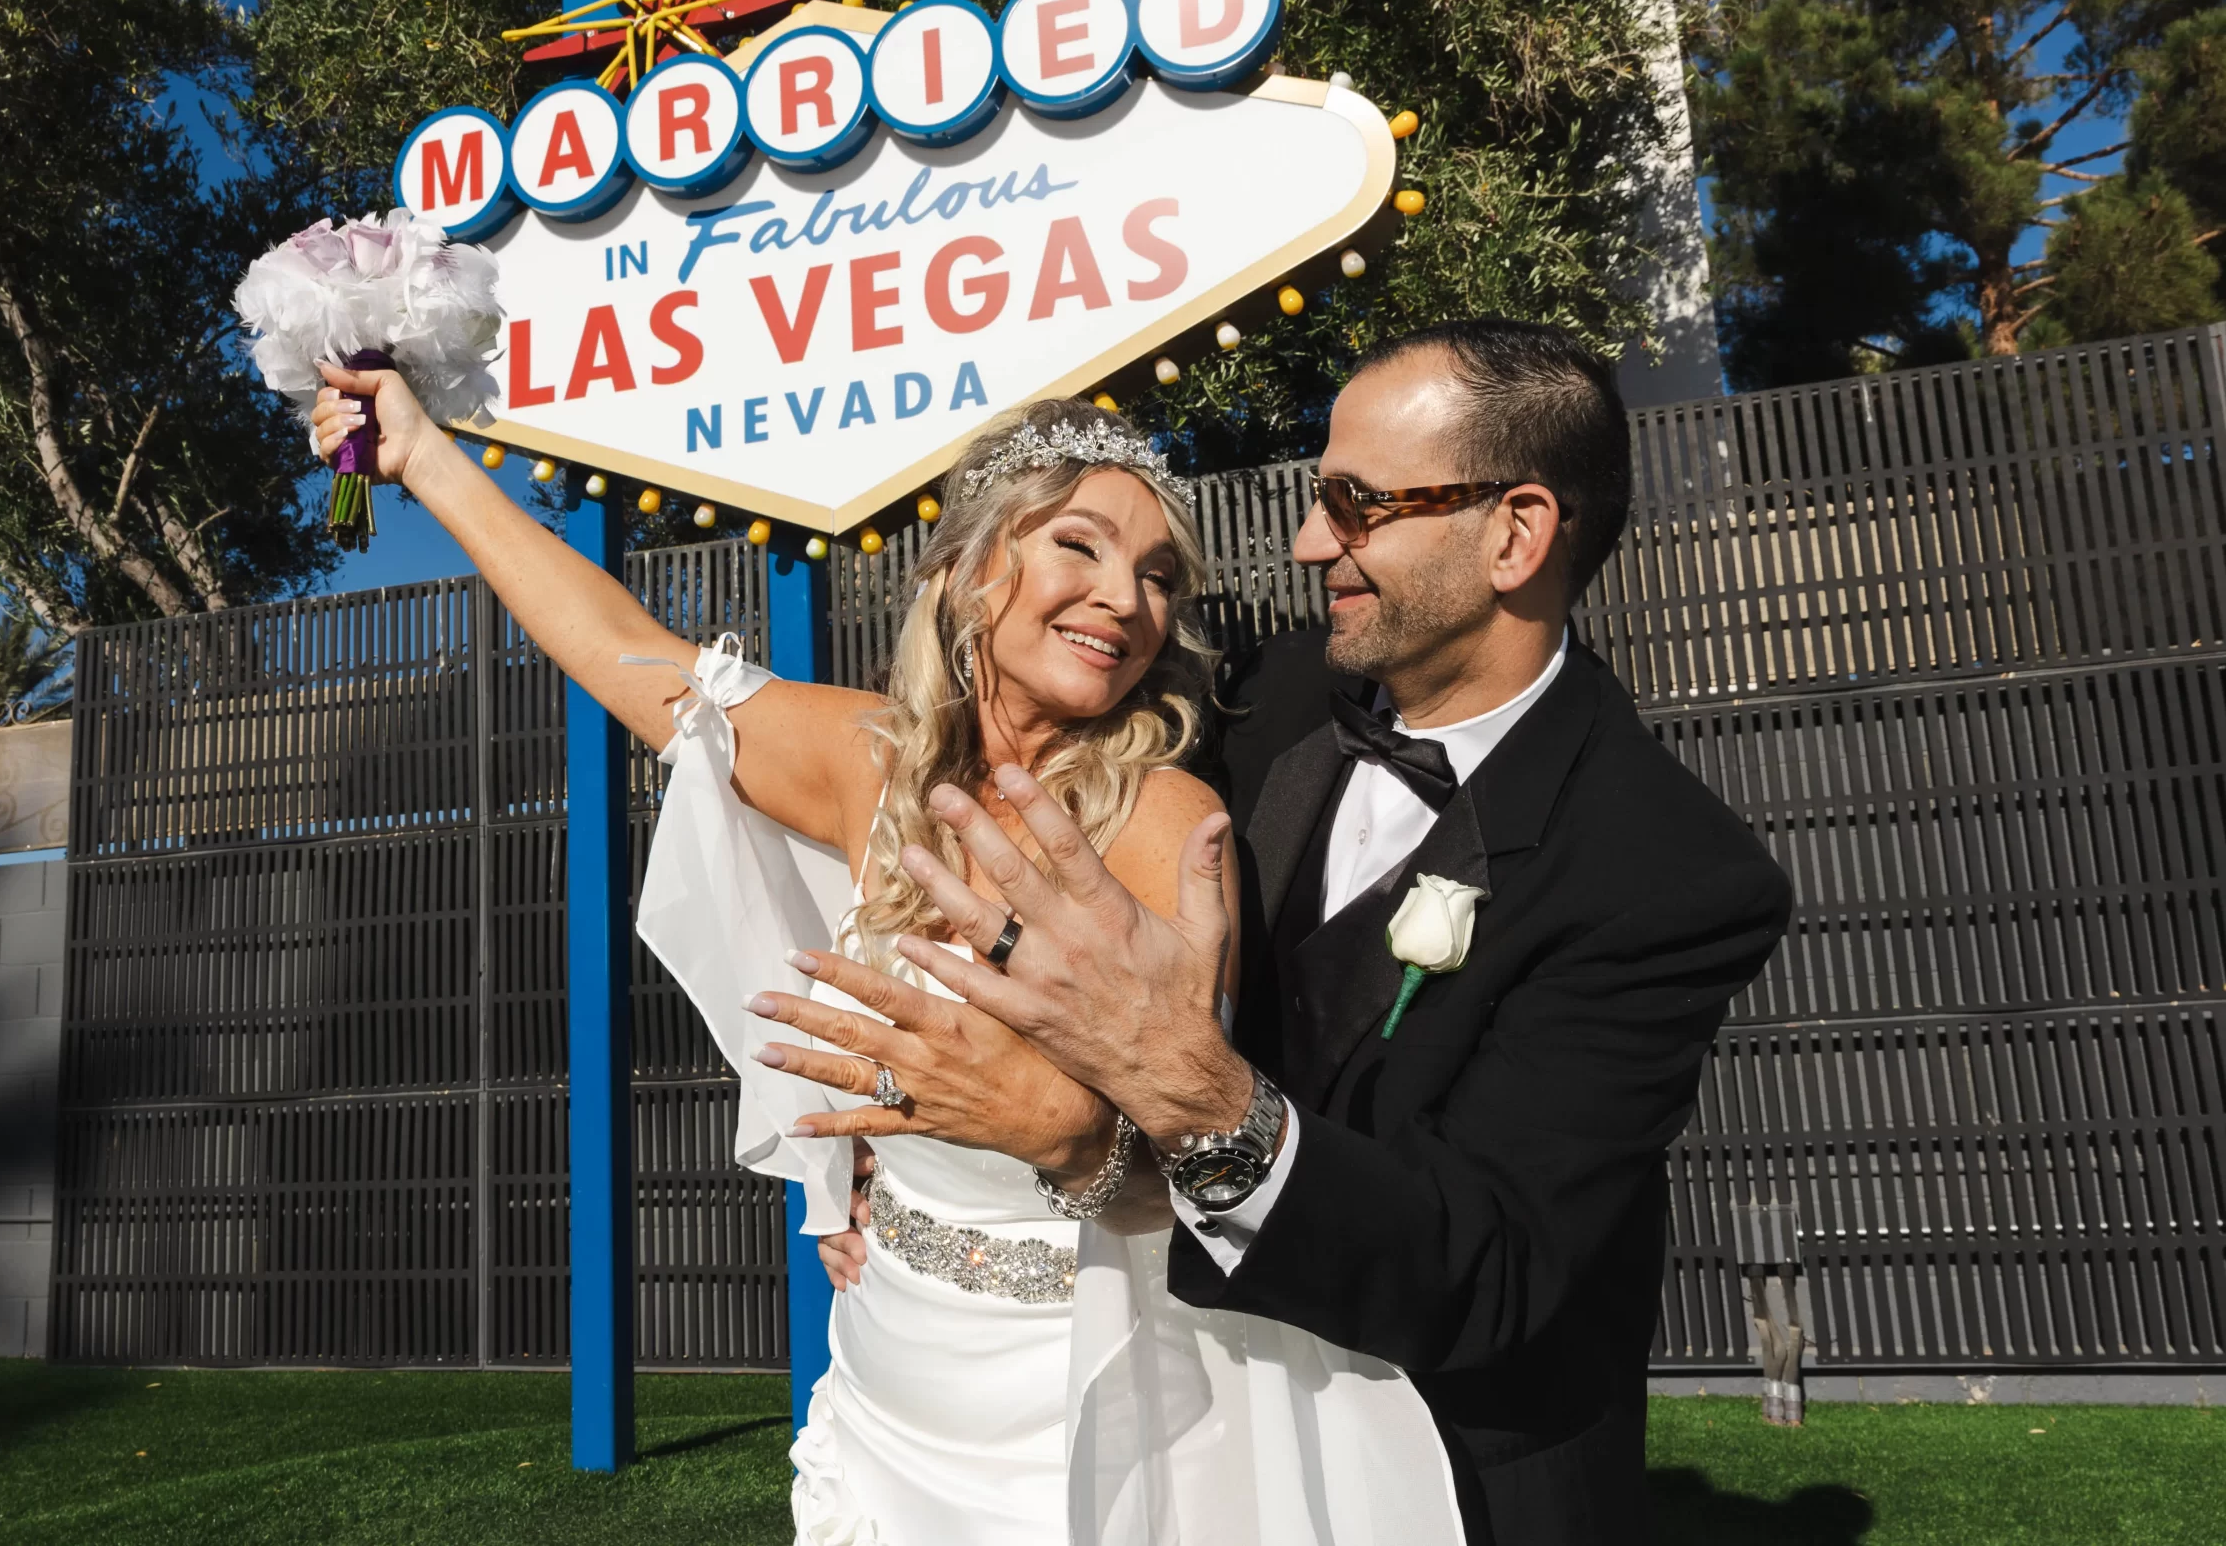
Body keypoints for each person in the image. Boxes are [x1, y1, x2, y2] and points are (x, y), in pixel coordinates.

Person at [305, 372, 1461, 1545]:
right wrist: (424, 459)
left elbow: (1183, 1140)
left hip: (1078, 1380)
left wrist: (1035, 1116)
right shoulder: (874, 766)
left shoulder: (1159, 815)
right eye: (1081, 546)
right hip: (889, 1358)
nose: (1126, 598)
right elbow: (624, 657)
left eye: (1160, 577)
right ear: (963, 571)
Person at [767, 321, 1793, 1546]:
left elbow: (1491, 1262)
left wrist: (1190, 1098)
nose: (1311, 542)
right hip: (1186, 1417)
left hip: (1456, 1465)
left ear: (1515, 534)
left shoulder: (1668, 871)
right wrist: (952, 1140)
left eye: (1355, 504)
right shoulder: (1260, 689)